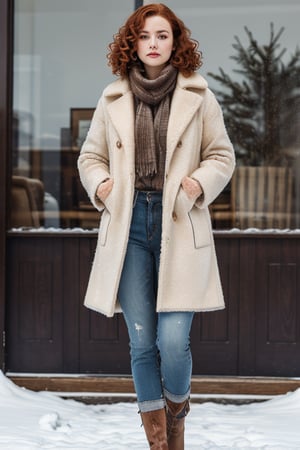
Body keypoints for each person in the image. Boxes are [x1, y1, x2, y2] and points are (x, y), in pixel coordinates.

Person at [78, 3, 235, 449]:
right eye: (145, 36)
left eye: (162, 36)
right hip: (128, 223)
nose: (153, 44)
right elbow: (90, 156)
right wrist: (101, 184)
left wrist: (197, 184)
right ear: (133, 42)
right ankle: (161, 442)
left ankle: (177, 414)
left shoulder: (200, 96)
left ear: (176, 42)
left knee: (173, 341)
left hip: (179, 221)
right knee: (142, 340)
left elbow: (222, 155)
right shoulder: (112, 98)